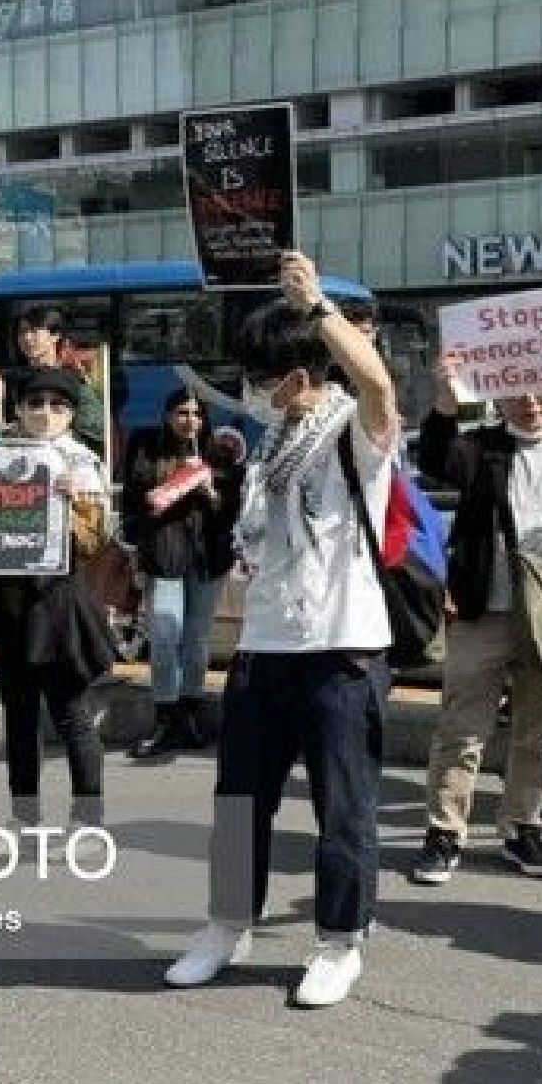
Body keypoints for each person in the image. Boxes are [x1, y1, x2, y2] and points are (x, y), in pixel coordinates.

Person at [162, 250, 398, 1010]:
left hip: (343, 651)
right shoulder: (266, 452)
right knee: (239, 800)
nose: (252, 395)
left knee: (344, 805)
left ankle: (339, 941)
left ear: (297, 379)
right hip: (265, 650)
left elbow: (380, 385)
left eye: (262, 380)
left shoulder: (354, 437)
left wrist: (321, 305)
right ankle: (228, 925)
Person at [409, 355, 542, 884]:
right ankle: (445, 832)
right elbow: (434, 456)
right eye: (519, 391)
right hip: (484, 609)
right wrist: (446, 397)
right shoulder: (481, 447)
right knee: (461, 728)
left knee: (538, 732)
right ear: (498, 398)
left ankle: (523, 825)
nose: (533, 400)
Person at [0, 367, 115, 852]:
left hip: (58, 604)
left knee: (72, 714)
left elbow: (96, 542)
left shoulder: (81, 463)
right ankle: (23, 821)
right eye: (35, 404)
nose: (45, 414)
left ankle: (89, 820)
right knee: (18, 718)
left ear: (71, 415)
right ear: (20, 409)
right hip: (8, 604)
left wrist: (77, 505)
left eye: (57, 406)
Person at [120, 385, 242, 760]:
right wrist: (166, 489)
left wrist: (210, 492)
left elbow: (231, 511)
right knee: (164, 634)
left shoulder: (220, 452)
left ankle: (189, 715)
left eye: (196, 414)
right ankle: (166, 716)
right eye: (182, 413)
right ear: (168, 415)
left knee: (196, 640)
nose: (189, 421)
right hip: (164, 555)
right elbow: (133, 501)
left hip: (208, 558)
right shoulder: (146, 447)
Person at [0, 305, 107, 456]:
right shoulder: (8, 379)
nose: (26, 338)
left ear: (55, 335)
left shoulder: (73, 380)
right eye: (22, 332)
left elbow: (95, 432)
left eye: (34, 330)